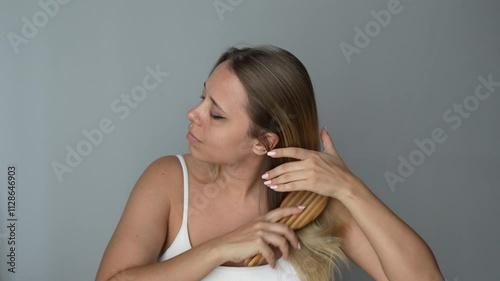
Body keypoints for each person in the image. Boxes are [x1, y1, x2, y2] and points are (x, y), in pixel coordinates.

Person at [95, 45, 444, 281]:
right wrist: (220, 248)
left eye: (215, 114)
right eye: (202, 98)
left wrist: (348, 188)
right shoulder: (168, 179)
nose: (193, 114)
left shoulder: (314, 204)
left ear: (263, 143)